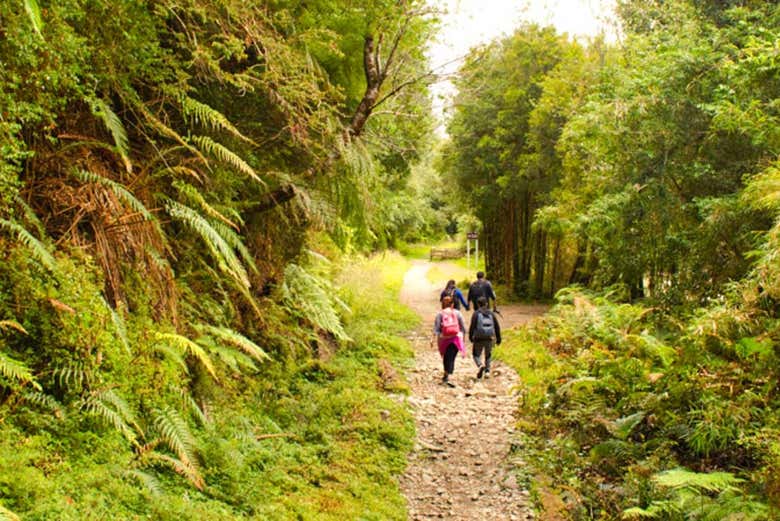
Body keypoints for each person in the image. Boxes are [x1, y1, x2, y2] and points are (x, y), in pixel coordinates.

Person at [431, 295, 466, 387]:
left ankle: (446, 375)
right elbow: (463, 327)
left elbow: (436, 328)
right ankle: (448, 374)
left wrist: (433, 339)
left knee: (446, 357)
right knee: (452, 357)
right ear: (452, 304)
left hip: (444, 339)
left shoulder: (440, 314)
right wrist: (462, 337)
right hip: (456, 338)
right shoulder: (458, 313)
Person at [468, 296, 501, 379]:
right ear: (486, 303)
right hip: (489, 338)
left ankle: (480, 365)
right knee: (488, 355)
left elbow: (472, 326)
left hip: (478, 338)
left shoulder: (476, 314)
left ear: (478, 304)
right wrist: (498, 338)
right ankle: (487, 372)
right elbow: (497, 326)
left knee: (476, 354)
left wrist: (471, 337)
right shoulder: (491, 314)